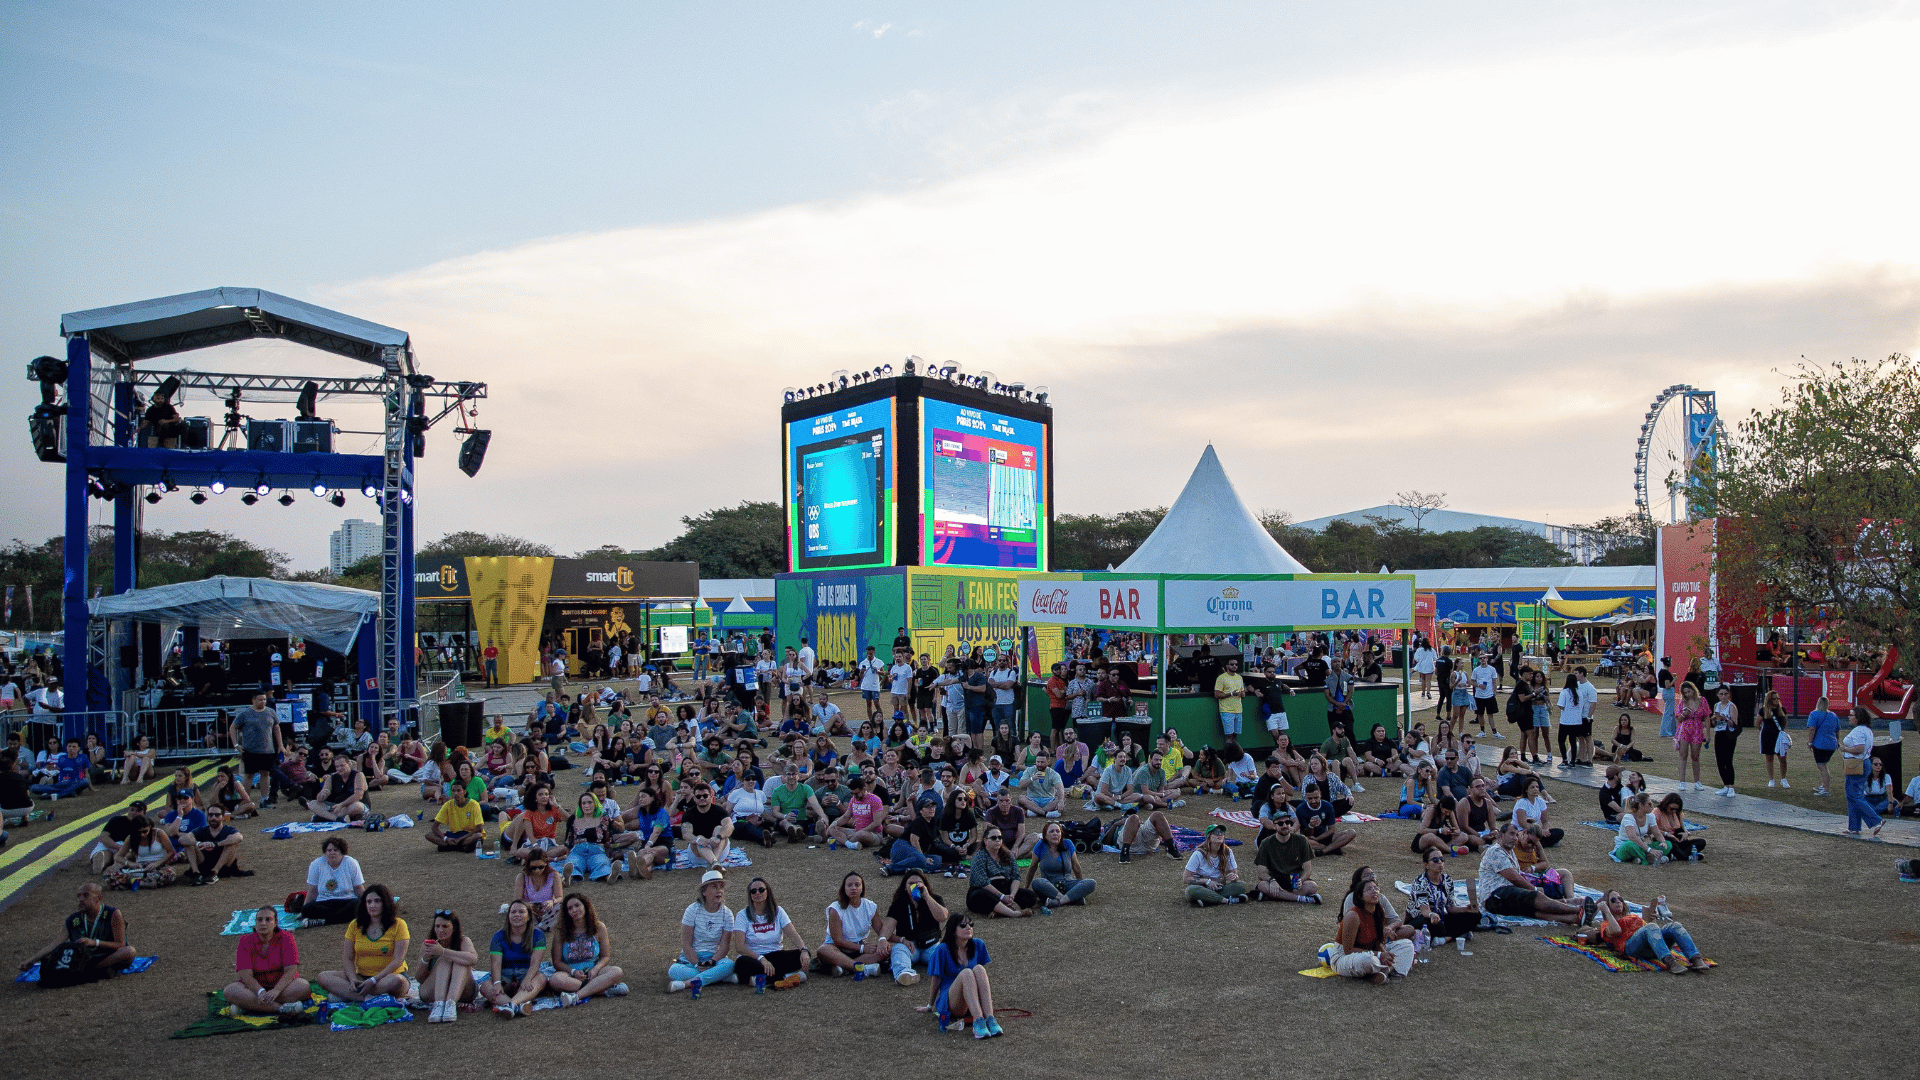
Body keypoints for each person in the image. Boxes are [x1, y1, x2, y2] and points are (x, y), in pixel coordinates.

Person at [1476, 822, 1592, 927]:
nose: (1515, 838)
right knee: (1537, 898)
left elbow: (1544, 863)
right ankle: (1578, 910)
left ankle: (1575, 919)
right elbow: (1514, 877)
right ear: (1501, 835)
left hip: (1507, 894)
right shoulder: (1496, 851)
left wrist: (1532, 870)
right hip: (1494, 895)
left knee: (1536, 911)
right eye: (1511, 834)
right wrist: (1534, 889)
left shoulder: (1510, 851)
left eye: (1516, 835)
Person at [19, 882, 134, 985]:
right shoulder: (73, 920)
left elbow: (120, 944)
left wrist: (95, 943)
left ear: (99, 898)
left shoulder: (113, 914)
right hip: (82, 959)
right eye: (79, 896)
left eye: (86, 895)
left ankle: (90, 971)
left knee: (129, 951)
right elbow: (54, 945)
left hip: (107, 956)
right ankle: (96, 971)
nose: (81, 899)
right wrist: (31, 960)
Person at [316, 884, 410, 1003]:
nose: (372, 905)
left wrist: (374, 980)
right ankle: (368, 998)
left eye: (377, 901)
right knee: (323, 976)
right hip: (362, 977)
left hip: (388, 977)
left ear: (385, 903)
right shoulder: (355, 925)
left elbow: (398, 960)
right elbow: (348, 958)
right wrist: (352, 979)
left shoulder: (399, 925)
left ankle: (352, 995)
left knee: (397, 981)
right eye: (369, 902)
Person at [921, 912, 1001, 1038]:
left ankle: (990, 1019)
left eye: (971, 924)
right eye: (963, 925)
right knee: (967, 973)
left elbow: (981, 981)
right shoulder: (942, 949)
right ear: (953, 930)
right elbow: (936, 979)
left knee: (979, 969)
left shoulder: (978, 944)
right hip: (952, 1002)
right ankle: (979, 1022)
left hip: (971, 999)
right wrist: (929, 1005)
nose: (968, 928)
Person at [1593, 890, 1711, 973]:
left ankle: (1696, 959)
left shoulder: (1633, 916)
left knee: (1674, 925)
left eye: (1620, 899)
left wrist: (1652, 919)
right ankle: (1671, 963)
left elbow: (1655, 933)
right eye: (1613, 900)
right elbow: (1616, 931)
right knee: (1650, 927)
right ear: (1607, 905)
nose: (1618, 901)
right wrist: (1606, 912)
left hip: (1652, 947)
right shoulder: (1606, 924)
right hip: (1631, 948)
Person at [224, 905, 311, 1015]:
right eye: (259, 920)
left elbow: (290, 971)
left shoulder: (287, 938)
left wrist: (276, 990)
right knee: (230, 991)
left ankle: (249, 1006)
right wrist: (260, 991)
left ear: (276, 923)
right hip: (254, 989)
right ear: (255, 923)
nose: (263, 923)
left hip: (281, 988)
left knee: (303, 986)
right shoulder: (244, 941)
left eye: (268, 919)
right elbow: (245, 975)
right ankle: (281, 1008)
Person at [731, 876, 811, 990]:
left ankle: (760, 979)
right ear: (750, 895)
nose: (757, 893)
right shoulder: (742, 915)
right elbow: (739, 947)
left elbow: (792, 933)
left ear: (768, 891)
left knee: (800, 956)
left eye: (761, 890)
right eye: (753, 891)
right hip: (754, 958)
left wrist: (804, 950)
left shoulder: (778, 911)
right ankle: (788, 977)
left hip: (775, 955)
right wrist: (761, 959)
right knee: (741, 964)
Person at [545, 892, 625, 1005]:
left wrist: (596, 969)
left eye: (577, 905)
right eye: (570, 908)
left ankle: (576, 996)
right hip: (570, 974)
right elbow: (557, 963)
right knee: (555, 980)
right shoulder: (560, 931)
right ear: (566, 913)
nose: (574, 910)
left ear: (585, 906)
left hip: (594, 972)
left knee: (617, 971)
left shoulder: (599, 927)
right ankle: (602, 990)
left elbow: (605, 957)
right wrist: (573, 972)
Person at [669, 870, 738, 994]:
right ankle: (719, 977)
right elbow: (686, 944)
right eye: (714, 887)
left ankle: (687, 983)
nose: (719, 891)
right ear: (704, 892)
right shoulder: (692, 910)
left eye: (721, 887)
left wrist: (712, 961)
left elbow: (724, 946)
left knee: (730, 965)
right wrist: (697, 964)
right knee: (674, 971)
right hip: (692, 959)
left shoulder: (727, 914)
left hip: (714, 958)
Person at [1332, 878, 1415, 982]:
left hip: (1371, 952)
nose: (1374, 891)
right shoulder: (1353, 915)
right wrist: (1380, 955)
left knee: (1407, 945)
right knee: (1368, 960)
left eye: (1376, 888)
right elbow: (1348, 950)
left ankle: (1386, 971)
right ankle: (1381, 972)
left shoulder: (1379, 911)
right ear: (1360, 896)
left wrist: (1385, 954)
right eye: (1369, 889)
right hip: (1345, 957)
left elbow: (1377, 943)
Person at [480, 900, 549, 1017]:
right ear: (509, 917)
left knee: (541, 978)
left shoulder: (538, 935)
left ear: (528, 917)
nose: (517, 915)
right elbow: (496, 963)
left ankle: (511, 1005)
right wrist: (497, 983)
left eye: (521, 912)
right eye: (513, 912)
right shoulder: (498, 936)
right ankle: (516, 1006)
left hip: (526, 974)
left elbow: (535, 963)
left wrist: (527, 979)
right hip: (505, 976)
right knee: (485, 986)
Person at [882, 868, 950, 986]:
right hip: (910, 946)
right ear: (905, 886)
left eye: (918, 883)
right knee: (898, 950)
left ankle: (952, 970)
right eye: (910, 884)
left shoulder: (934, 899)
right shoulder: (899, 903)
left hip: (931, 945)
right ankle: (904, 974)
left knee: (944, 954)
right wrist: (883, 940)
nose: (914, 886)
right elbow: (887, 929)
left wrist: (927, 897)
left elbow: (943, 917)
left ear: (925, 885)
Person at [1407, 850, 1479, 954]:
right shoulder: (1420, 882)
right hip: (1422, 919)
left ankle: (1446, 938)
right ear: (1426, 865)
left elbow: (1451, 908)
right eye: (1435, 860)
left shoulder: (1447, 880)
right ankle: (1456, 934)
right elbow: (1424, 910)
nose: (1440, 863)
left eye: (1442, 859)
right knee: (1434, 925)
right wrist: (1432, 914)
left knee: (1475, 916)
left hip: (1441, 917)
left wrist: (1466, 909)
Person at [415, 909, 479, 1023]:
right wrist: (425, 960)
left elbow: (473, 959)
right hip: (432, 992)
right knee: (443, 961)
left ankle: (450, 1004)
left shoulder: (463, 941)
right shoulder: (428, 945)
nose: (440, 930)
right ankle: (439, 1004)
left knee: (459, 961)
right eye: (437, 926)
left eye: (445, 926)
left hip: (464, 991)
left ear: (454, 928)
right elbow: (419, 979)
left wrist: (443, 952)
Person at [819, 871, 887, 977]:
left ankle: (845, 966)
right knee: (823, 950)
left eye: (857, 885)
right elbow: (837, 940)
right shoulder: (835, 908)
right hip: (836, 948)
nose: (853, 888)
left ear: (862, 888)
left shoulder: (870, 906)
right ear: (844, 888)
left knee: (886, 949)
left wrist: (901, 940)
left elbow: (882, 932)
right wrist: (862, 948)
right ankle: (863, 968)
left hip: (858, 949)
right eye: (849, 885)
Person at [230, 691, 289, 809]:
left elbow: (276, 728)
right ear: (253, 700)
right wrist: (236, 744)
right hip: (249, 750)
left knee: (265, 774)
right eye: (260, 699)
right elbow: (233, 727)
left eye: (264, 699)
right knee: (248, 775)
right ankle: (246, 800)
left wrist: (280, 745)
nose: (263, 702)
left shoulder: (271, 712)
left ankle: (264, 800)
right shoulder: (245, 713)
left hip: (267, 750)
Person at [1022, 821, 1095, 910]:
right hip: (1049, 886)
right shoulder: (1040, 846)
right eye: (1051, 831)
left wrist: (1080, 885)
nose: (1055, 834)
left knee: (1091, 883)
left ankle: (1059, 901)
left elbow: (1076, 867)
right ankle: (1071, 899)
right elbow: (1032, 867)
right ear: (1045, 835)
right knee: (1037, 882)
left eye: (1057, 831)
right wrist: (1026, 888)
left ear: (1061, 834)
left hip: (1067, 883)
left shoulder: (1068, 844)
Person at [1251, 811, 1320, 903]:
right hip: (1276, 881)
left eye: (1287, 822)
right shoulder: (1266, 843)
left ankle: (1274, 896)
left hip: (1294, 881)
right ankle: (1301, 899)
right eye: (1280, 823)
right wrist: (1272, 881)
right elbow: (1261, 873)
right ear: (1274, 826)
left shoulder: (1302, 840)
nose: (1284, 826)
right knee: (1263, 885)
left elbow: (1308, 869)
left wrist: (1301, 880)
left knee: (1312, 886)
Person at [299, 836, 365, 927]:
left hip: (346, 900)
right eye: (329, 850)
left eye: (335, 850)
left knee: (358, 905)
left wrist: (367, 901)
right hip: (324, 902)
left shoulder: (351, 863)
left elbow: (358, 888)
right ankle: (339, 918)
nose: (332, 853)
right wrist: (303, 909)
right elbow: (313, 890)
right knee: (307, 909)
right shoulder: (316, 864)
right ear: (325, 852)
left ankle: (324, 921)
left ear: (342, 852)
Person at [1840, 708, 1885, 839]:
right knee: (1853, 795)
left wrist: (1844, 748)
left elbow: (1859, 748)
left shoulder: (1859, 731)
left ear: (1858, 717)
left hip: (1857, 764)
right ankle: (1854, 827)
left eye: (1852, 715)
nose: (1849, 717)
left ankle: (1876, 820)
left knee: (1854, 795)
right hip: (1864, 763)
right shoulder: (1867, 731)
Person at [1183, 823, 1247, 906]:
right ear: (1209, 837)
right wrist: (1207, 881)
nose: (1219, 835)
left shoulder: (1228, 852)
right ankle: (1225, 900)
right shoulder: (1198, 854)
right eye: (1216, 833)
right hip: (1203, 887)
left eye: (1222, 833)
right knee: (1191, 891)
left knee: (1241, 886)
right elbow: (1186, 878)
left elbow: (1235, 875)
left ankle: (1207, 900)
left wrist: (1234, 876)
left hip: (1220, 887)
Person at [182, 804, 249, 885]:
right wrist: (198, 843)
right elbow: (183, 839)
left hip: (224, 865)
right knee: (188, 844)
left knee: (232, 844)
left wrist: (216, 844)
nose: (213, 818)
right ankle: (196, 874)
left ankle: (214, 873)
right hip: (203, 863)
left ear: (223, 816)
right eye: (210, 815)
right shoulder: (201, 830)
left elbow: (239, 838)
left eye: (217, 815)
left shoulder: (229, 829)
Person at [108, 814, 177, 889]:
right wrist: (130, 863)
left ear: (150, 827)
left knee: (169, 873)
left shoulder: (158, 833)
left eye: (145, 831)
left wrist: (157, 863)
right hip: (140, 867)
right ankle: (145, 882)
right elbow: (118, 857)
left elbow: (171, 852)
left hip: (158, 866)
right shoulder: (131, 837)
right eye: (138, 832)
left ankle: (132, 883)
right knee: (109, 875)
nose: (142, 835)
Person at [1293, 781, 1356, 857]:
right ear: (1305, 796)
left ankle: (1323, 851)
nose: (1313, 801)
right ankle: (1332, 848)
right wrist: (1311, 826)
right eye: (1310, 798)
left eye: (1316, 798)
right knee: (1301, 842)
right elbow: (1305, 833)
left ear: (1320, 794)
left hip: (1325, 836)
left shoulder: (1327, 806)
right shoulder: (1300, 809)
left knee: (1351, 832)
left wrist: (1318, 839)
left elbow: (1331, 830)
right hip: (1310, 839)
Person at [306, 751, 368, 823]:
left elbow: (358, 796)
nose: (339, 768)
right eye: (337, 767)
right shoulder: (332, 777)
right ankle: (337, 819)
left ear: (349, 764)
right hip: (336, 807)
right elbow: (319, 798)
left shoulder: (358, 775)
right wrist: (322, 795)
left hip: (351, 805)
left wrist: (341, 805)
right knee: (312, 803)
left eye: (342, 765)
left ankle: (323, 817)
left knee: (358, 806)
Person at [1613, 792, 1674, 864]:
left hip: (1642, 846)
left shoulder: (1650, 816)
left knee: (1668, 844)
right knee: (1630, 845)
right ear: (1641, 805)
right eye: (1649, 804)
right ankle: (1650, 859)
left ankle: (1640, 858)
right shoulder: (1628, 817)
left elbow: (1657, 833)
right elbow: (1632, 837)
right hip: (1626, 846)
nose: (1652, 806)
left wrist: (1663, 842)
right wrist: (1649, 850)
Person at [1672, 681, 1711, 791]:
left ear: (1694, 690)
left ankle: (1697, 781)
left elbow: (1707, 717)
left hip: (1697, 729)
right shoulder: (1682, 702)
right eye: (1685, 693)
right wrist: (1683, 715)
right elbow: (1678, 719)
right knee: (1683, 755)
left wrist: (1707, 734)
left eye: (1689, 691)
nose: (1688, 694)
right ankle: (1682, 781)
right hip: (1684, 728)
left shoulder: (1702, 700)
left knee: (1695, 756)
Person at [426, 780, 485, 852]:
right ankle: (460, 847)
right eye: (453, 791)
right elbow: (434, 827)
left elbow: (479, 828)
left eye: (459, 790)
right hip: (453, 834)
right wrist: (445, 838)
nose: (456, 793)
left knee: (478, 835)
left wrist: (460, 839)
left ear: (464, 792)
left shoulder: (474, 804)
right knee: (429, 835)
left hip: (467, 834)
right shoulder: (448, 805)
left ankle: (449, 846)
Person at [1708, 685, 1741, 797]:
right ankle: (1725, 785)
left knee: (1728, 760)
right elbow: (1713, 723)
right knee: (1719, 760)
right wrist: (1714, 719)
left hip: (1729, 734)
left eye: (1725, 694)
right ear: (1718, 695)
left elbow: (1734, 723)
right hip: (1719, 733)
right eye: (1721, 694)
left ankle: (1731, 786)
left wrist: (1725, 718)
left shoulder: (1731, 706)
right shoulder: (1716, 705)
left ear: (1729, 694)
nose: (1723, 696)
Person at [1511, 777, 1564, 847]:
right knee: (1526, 837)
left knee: (1559, 832)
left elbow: (1545, 822)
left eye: (1537, 787)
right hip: (1522, 831)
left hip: (1536, 832)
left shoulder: (1541, 801)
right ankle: (1537, 843)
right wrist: (1539, 831)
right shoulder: (1521, 803)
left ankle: (1536, 843)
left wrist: (1546, 830)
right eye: (1532, 787)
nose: (1535, 789)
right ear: (1527, 790)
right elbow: (1523, 824)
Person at [1653, 792, 1706, 861]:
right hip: (1665, 839)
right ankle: (1685, 857)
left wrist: (1686, 834)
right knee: (1671, 844)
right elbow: (1652, 830)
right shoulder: (1657, 812)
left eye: (1676, 809)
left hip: (1678, 840)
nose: (1674, 811)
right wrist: (1667, 834)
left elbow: (1683, 828)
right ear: (1666, 804)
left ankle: (1677, 855)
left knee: (1701, 842)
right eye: (1672, 808)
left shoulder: (1678, 813)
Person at [1806, 696, 1841, 796]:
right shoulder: (1833, 715)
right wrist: (1837, 741)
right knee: (1824, 764)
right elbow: (1837, 730)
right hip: (1832, 744)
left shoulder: (1814, 714)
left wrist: (1810, 742)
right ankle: (1824, 785)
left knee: (1822, 766)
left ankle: (1826, 788)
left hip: (1820, 744)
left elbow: (1812, 729)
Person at [1759, 690, 1792, 788]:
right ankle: (1771, 779)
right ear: (1769, 699)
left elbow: (1785, 722)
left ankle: (1783, 779)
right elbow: (1758, 723)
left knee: (1782, 758)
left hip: (1779, 737)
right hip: (1767, 736)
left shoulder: (1782, 710)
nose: (1777, 700)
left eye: (1778, 698)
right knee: (1769, 758)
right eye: (1774, 698)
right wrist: (1764, 731)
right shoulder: (1763, 710)